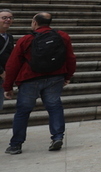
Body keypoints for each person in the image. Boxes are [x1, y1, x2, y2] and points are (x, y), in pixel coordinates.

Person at [4, 12, 76, 154]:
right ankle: (57, 137)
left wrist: (8, 86)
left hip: (30, 79)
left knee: (23, 112)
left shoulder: (26, 39)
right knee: (54, 107)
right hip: (56, 77)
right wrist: (68, 75)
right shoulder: (62, 36)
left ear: (35, 23)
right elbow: (70, 58)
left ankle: (16, 144)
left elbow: (12, 64)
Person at [0, 9, 14, 79]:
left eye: (10, 18)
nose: (8, 20)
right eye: (4, 18)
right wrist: (1, 72)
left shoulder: (9, 36)